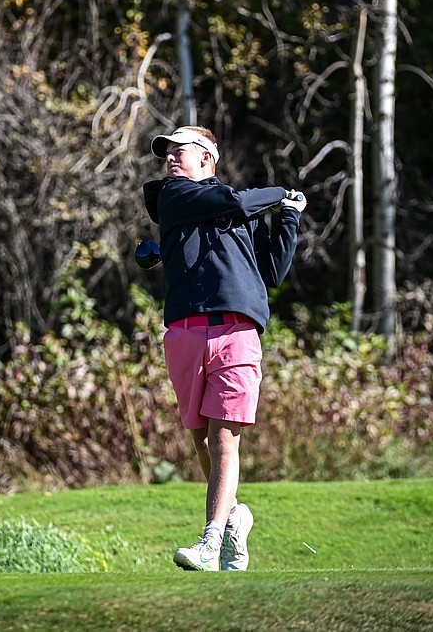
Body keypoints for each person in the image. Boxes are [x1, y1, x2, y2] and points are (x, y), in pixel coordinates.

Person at [142, 125, 305, 572]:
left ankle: (210, 541)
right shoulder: (173, 195)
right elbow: (231, 202)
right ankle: (235, 517)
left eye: (181, 151)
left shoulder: (240, 210)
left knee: (223, 441)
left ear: (207, 158)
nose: (172, 159)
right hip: (185, 332)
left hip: (237, 332)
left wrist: (289, 217)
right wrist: (282, 193)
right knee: (202, 443)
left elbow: (271, 270)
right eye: (168, 153)